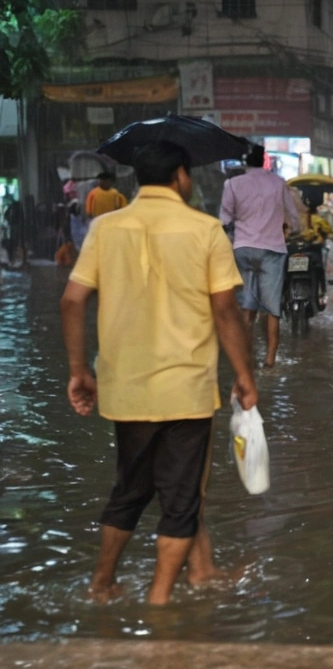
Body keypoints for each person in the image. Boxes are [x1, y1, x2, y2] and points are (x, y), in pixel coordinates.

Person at [59, 140, 257, 606]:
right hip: (186, 389)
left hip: (125, 387)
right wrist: (244, 375)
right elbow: (226, 312)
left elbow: (71, 301)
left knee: (129, 490)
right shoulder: (206, 230)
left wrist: (78, 371)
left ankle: (101, 585)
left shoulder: (105, 228)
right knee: (183, 497)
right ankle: (160, 601)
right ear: (181, 177)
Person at [219, 145, 299, 368]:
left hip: (243, 249)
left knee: (248, 304)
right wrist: (297, 229)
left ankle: (245, 356)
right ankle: (270, 358)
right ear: (264, 160)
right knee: (272, 308)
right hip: (272, 250)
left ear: (245, 163)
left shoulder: (232, 184)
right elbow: (292, 214)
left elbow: (224, 219)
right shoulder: (278, 182)